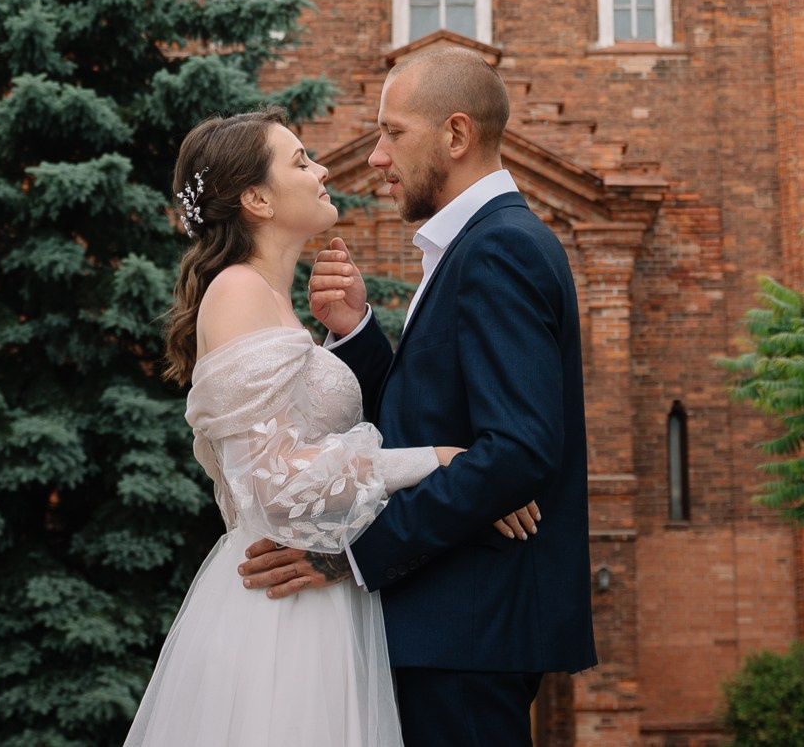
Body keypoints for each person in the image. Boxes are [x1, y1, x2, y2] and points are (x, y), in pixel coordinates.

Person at [125, 107, 531, 746]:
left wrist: (350, 331)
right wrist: (438, 460)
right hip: (284, 608)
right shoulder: (236, 291)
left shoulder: (271, 302)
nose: (321, 170)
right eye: (300, 160)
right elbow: (273, 485)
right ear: (257, 199)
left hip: (324, 590)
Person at [241, 45, 596, 747]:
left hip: (465, 631)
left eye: (393, 133)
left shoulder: (500, 248)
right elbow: (436, 416)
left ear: (456, 135)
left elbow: (519, 448)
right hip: (451, 629)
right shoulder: (476, 244)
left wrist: (350, 554)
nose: (376, 157)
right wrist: (360, 335)